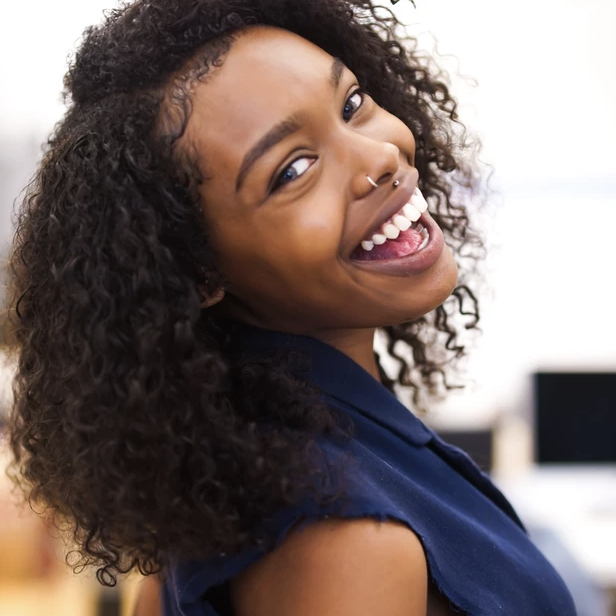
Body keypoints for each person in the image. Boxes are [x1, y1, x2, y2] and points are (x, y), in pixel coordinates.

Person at [4, 1, 578, 615]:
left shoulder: (251, 467)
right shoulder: (342, 538)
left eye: (352, 105)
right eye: (294, 169)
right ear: (199, 270)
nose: (379, 157)